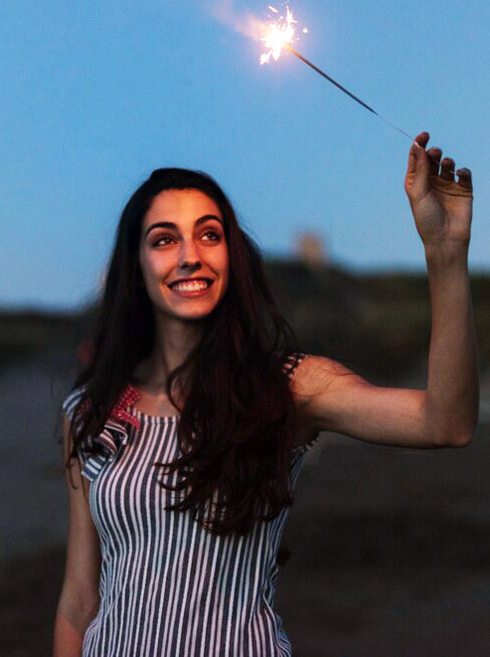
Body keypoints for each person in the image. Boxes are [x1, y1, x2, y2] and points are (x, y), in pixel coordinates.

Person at [53, 132, 479, 657]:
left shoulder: (287, 387)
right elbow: (78, 599)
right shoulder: (90, 411)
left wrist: (445, 254)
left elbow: (446, 424)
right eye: (164, 240)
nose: (190, 256)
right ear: (136, 266)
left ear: (231, 256)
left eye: (209, 235)